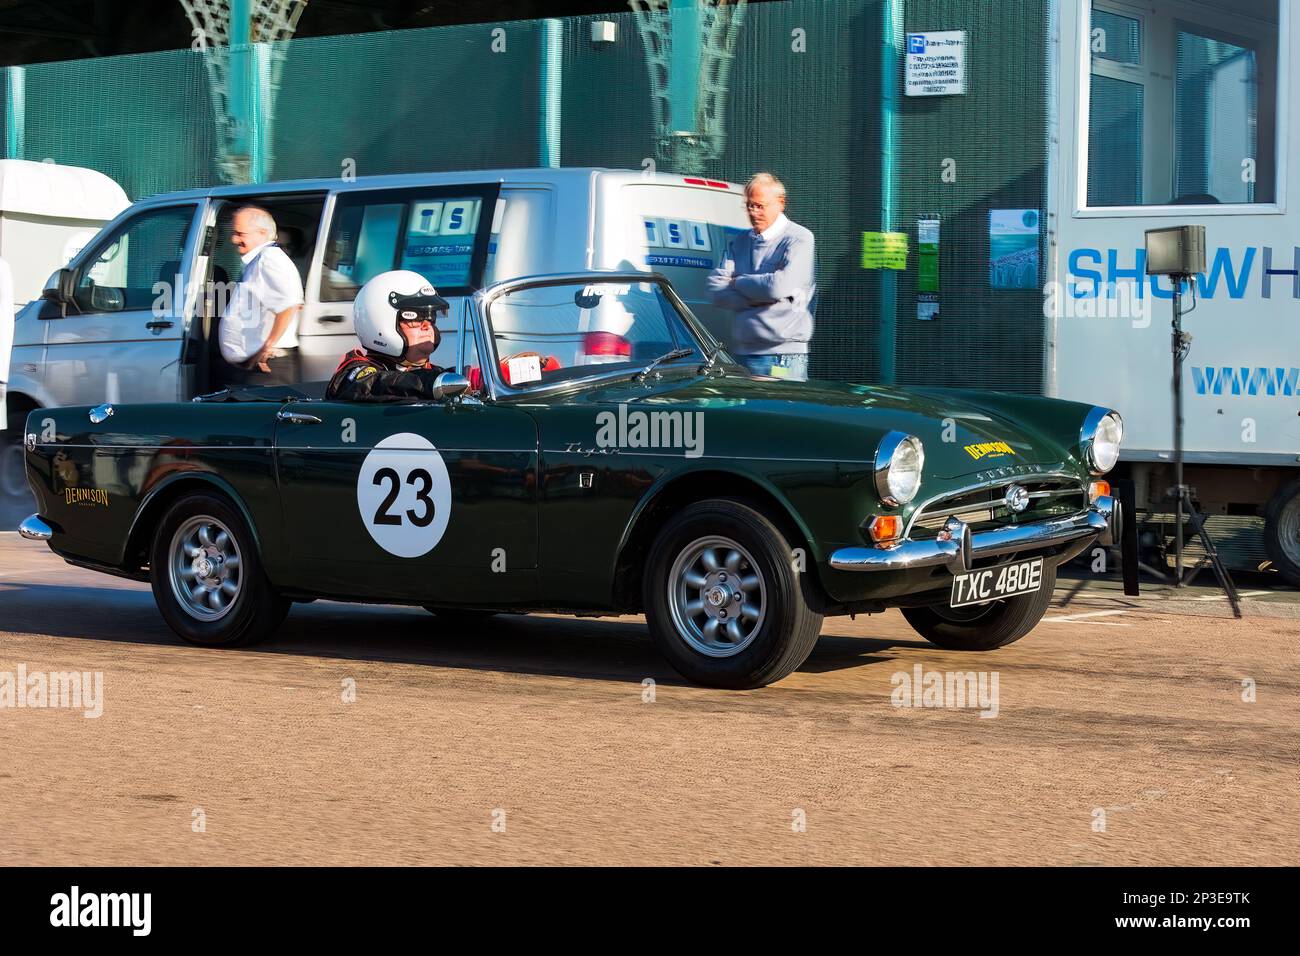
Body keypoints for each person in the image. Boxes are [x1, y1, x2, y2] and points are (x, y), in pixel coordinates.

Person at [706, 172, 816, 381]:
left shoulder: (799, 239)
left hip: (783, 355)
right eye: (749, 206)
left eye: (760, 206)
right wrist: (759, 296)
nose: (753, 212)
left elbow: (779, 287)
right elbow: (715, 290)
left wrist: (738, 282)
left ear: (780, 203)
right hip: (743, 353)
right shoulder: (739, 242)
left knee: (779, 412)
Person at [327, 270, 451, 402]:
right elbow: (377, 383)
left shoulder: (431, 373)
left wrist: (469, 377)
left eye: (430, 317)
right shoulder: (354, 375)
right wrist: (429, 383)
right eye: (416, 318)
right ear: (380, 322)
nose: (427, 326)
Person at [217, 205, 304, 387]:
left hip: (266, 369)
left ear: (262, 233)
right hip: (252, 368)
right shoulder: (259, 260)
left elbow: (289, 305)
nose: (234, 239)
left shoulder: (269, 260)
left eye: (241, 234)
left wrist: (266, 347)